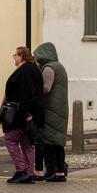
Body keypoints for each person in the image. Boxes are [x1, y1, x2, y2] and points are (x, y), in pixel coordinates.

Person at [0, 46, 44, 184]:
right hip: (28, 113)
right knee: (27, 143)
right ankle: (29, 173)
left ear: (21, 56)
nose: (14, 58)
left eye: (15, 55)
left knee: (10, 139)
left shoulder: (25, 70)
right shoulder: (33, 69)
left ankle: (21, 170)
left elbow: (27, 92)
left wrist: (27, 113)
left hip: (20, 114)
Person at [33, 42, 69, 182]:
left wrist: (34, 89)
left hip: (51, 110)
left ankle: (55, 172)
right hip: (58, 110)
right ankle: (56, 172)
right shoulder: (59, 67)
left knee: (48, 142)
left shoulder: (49, 68)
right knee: (56, 142)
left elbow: (46, 88)